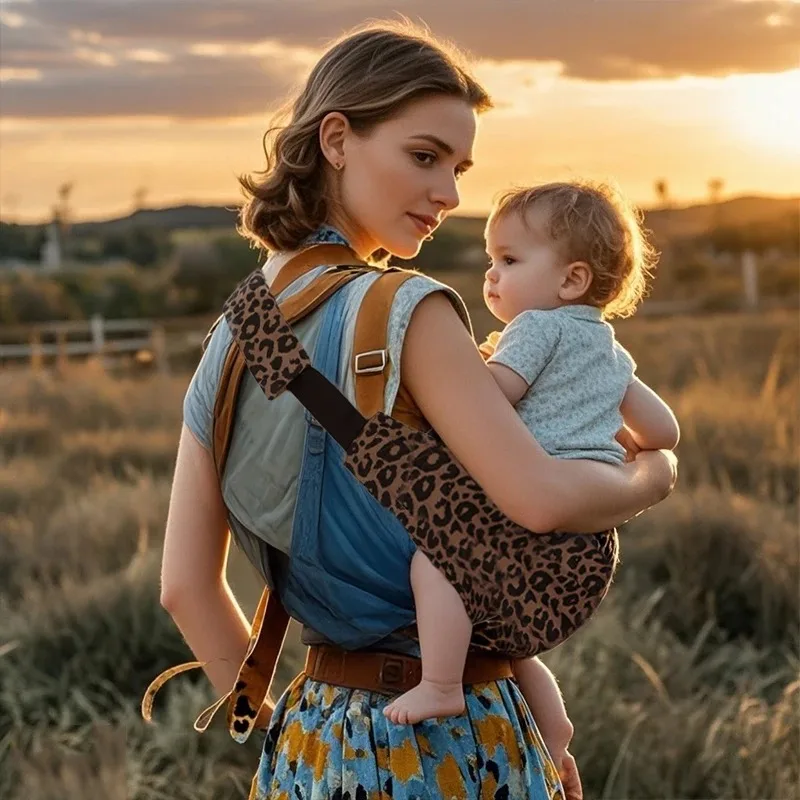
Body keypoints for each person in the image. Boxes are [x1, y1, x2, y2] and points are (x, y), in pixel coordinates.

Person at [157, 21, 677, 800]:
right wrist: (654, 474)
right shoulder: (409, 308)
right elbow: (536, 498)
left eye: (460, 167)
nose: (451, 194)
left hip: (311, 739)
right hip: (452, 729)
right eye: (424, 156)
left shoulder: (234, 333)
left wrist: (298, 738)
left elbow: (185, 587)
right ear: (337, 138)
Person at [384, 182, 680, 758]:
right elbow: (664, 432)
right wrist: (616, 440)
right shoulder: (610, 350)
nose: (491, 274)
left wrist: (455, 365)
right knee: (506, 633)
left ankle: (440, 685)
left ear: (571, 279)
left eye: (510, 260)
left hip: (522, 503)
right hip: (589, 525)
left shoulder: (536, 328)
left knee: (435, 565)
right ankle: (555, 726)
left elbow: (497, 394)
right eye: (492, 259)